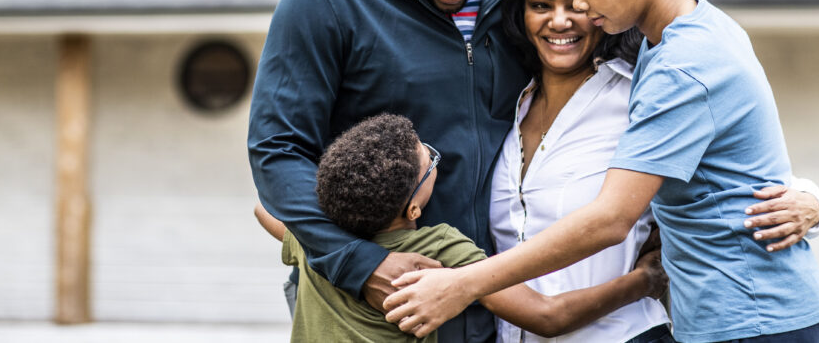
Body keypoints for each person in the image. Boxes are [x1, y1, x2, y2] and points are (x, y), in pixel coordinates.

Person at [384, 0, 819, 343]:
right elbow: (734, 168)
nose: (577, 5)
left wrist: (462, 283)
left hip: (751, 318)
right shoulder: (692, 37)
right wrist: (813, 199)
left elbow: (611, 219)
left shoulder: (681, 66)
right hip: (730, 314)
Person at [248, 0, 531, 342]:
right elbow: (278, 152)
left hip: (490, 309)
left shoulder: (522, 2)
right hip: (366, 306)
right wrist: (361, 263)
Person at [488, 0, 819, 343]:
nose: (563, 18)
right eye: (541, 5)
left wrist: (812, 199)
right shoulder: (505, 104)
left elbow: (732, 160)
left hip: (637, 332)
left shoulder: (644, 89)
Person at [254, 113, 668, 342]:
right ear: (414, 208)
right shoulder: (437, 247)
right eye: (429, 162)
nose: (435, 160)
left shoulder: (317, 241)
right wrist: (644, 280)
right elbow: (546, 316)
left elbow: (264, 211)